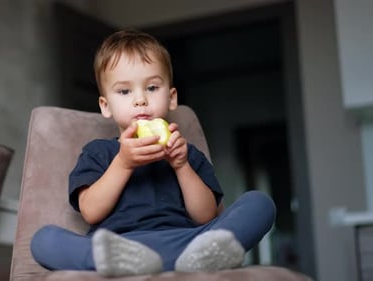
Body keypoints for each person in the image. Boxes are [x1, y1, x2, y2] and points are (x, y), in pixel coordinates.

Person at [30, 29, 276, 277]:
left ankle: (205, 259)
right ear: (106, 106)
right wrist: (123, 164)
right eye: (125, 91)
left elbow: (205, 216)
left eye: (152, 87)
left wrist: (181, 166)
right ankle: (120, 261)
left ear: (171, 98)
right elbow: (91, 211)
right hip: (120, 245)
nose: (140, 100)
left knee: (260, 203)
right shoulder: (99, 152)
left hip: (188, 244)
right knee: (43, 240)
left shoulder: (186, 152)